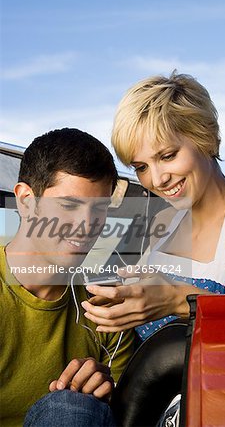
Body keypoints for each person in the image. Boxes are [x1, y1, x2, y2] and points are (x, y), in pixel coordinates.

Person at [81, 72, 225, 341]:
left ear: (204, 137)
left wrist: (181, 302)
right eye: (141, 167)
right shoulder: (165, 220)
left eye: (168, 156)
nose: (157, 180)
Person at [0, 128, 134, 427]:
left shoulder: (106, 304)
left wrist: (104, 395)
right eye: (69, 205)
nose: (86, 226)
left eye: (99, 209)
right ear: (25, 200)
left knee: (74, 407)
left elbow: (131, 411)